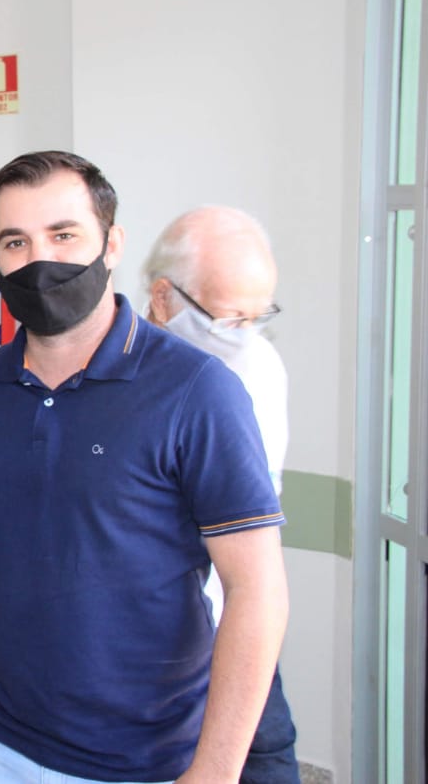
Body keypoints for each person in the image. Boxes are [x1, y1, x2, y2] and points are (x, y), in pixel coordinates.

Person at [0, 151, 289, 784]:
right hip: (2, 743)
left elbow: (257, 589)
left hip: (147, 759)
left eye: (64, 235)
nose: (40, 260)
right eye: (16, 241)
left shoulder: (197, 391)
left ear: (112, 244)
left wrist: (215, 771)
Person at [144, 205, 298, 783]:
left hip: (233, 620)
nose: (247, 336)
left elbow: (256, 528)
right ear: (164, 299)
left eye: (259, 317)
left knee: (266, 755)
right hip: (151, 639)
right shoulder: (119, 381)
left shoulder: (261, 370)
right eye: (230, 320)